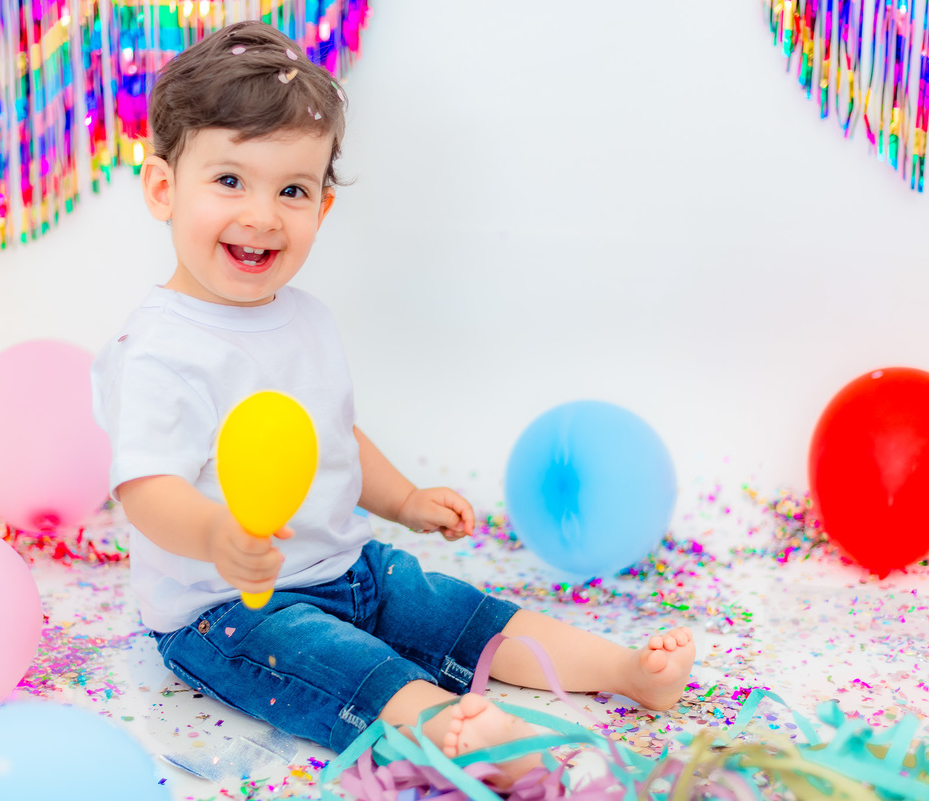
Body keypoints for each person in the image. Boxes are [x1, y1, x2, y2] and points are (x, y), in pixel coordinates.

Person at [91, 20, 696, 784]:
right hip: (227, 609)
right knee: (340, 663)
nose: (262, 213)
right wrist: (217, 532)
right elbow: (147, 487)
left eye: (293, 190)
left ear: (323, 209)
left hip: (346, 565)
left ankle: (625, 668)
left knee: (449, 609)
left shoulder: (305, 317)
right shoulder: (160, 346)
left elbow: (332, 434)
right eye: (229, 181)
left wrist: (403, 498)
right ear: (161, 188)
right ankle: (451, 730)